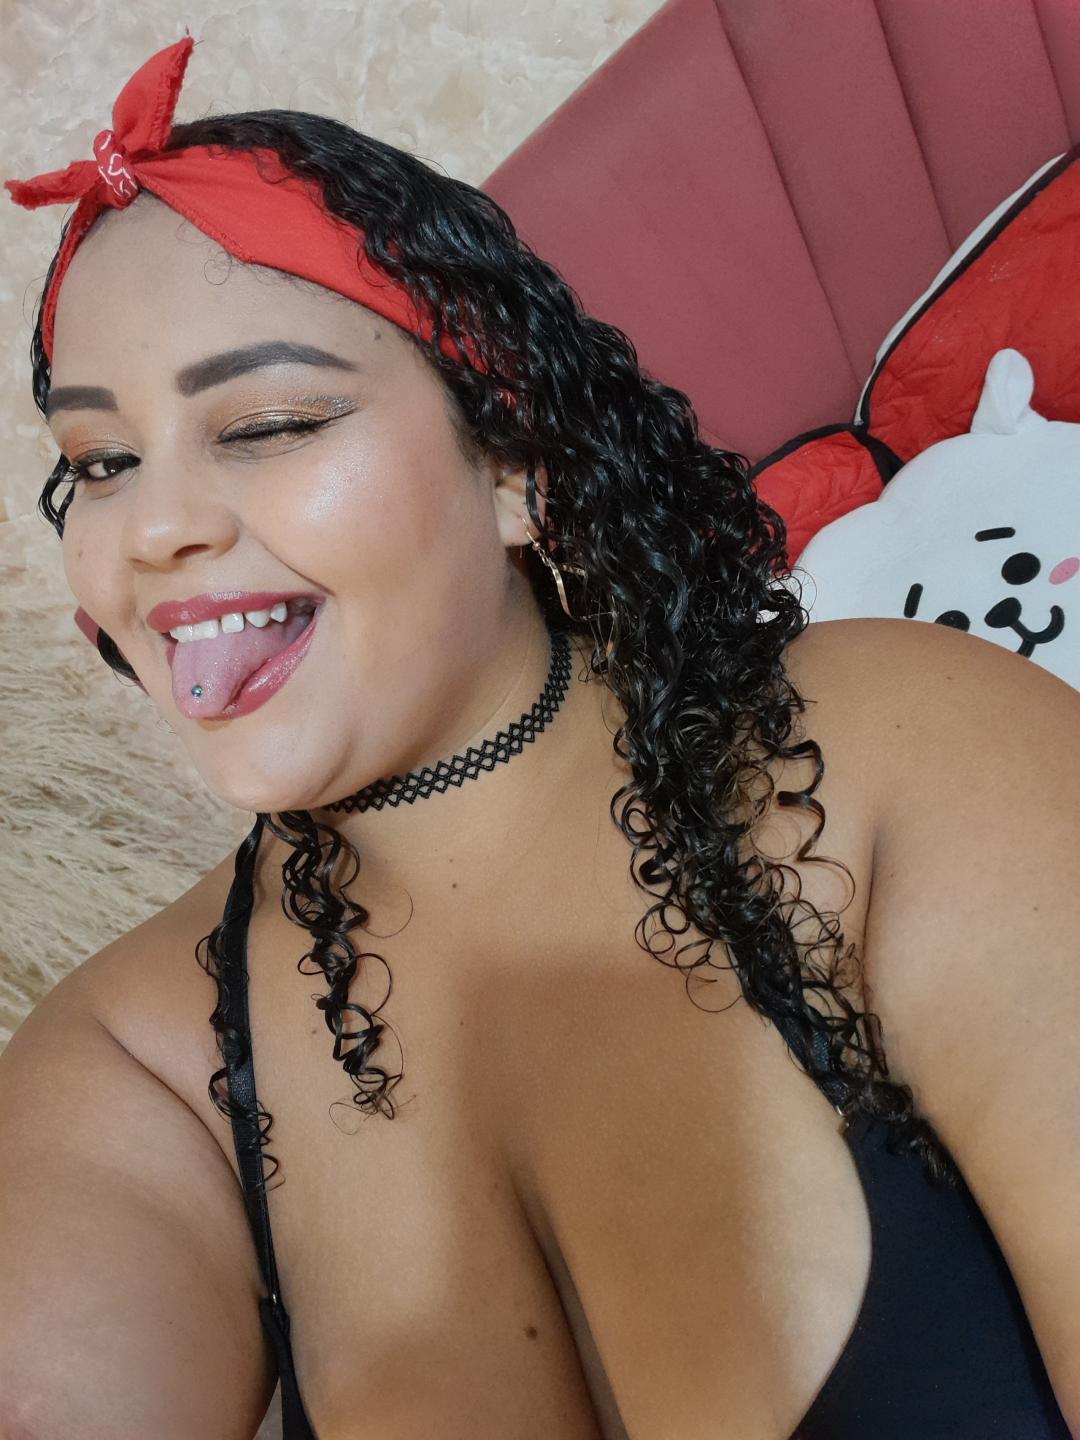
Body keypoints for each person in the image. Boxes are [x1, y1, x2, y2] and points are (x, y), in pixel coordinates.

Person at [1, 35, 1077, 1440]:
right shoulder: (136, 1065)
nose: (153, 530)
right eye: (100, 463)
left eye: (267, 423)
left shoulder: (894, 759)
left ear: (512, 462)